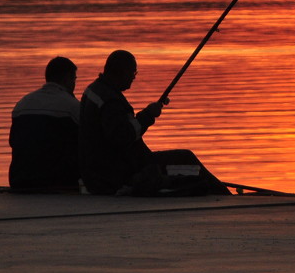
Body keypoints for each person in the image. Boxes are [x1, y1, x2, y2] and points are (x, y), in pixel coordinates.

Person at [79, 49, 229, 196]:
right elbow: (123, 137)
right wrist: (148, 115)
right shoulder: (111, 101)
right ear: (122, 72)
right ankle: (224, 195)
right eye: (133, 73)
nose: (134, 77)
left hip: (102, 171)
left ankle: (218, 190)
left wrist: (147, 114)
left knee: (183, 165)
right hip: (120, 173)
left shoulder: (93, 90)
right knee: (186, 158)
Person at [9, 56, 81, 191]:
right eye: (74, 79)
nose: (74, 84)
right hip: (56, 181)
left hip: (20, 179)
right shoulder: (72, 106)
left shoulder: (22, 104)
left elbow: (14, 141)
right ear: (67, 78)